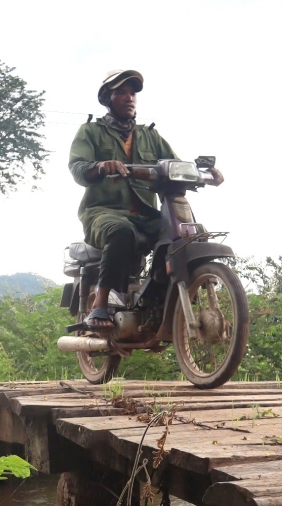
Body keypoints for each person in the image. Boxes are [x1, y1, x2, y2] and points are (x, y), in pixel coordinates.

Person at [68, 69, 223, 329]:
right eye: (121, 92)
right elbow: (78, 168)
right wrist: (101, 166)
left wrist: (205, 173)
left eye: (133, 93)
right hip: (103, 212)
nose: (129, 98)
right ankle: (100, 305)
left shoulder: (150, 136)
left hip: (147, 216)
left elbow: (176, 165)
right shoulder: (90, 132)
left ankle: (163, 298)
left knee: (191, 235)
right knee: (120, 231)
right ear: (107, 98)